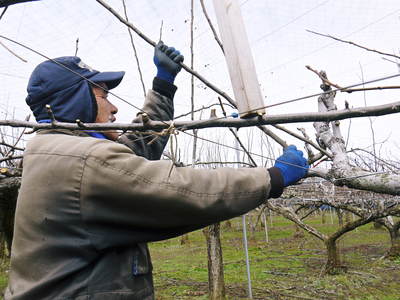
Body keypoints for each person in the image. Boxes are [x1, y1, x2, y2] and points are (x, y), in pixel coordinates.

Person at [5, 41, 309, 299]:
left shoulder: (55, 151)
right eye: (103, 95)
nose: (114, 109)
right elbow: (181, 190)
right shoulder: (83, 161)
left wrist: (163, 85)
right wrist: (271, 178)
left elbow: (132, 149)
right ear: (73, 101)